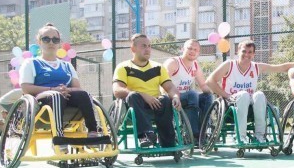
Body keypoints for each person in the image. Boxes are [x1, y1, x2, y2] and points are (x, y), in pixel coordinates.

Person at [19, 23, 100, 152]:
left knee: (84, 94)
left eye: (55, 40)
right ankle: (58, 136)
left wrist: (66, 90)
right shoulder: (31, 63)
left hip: (66, 96)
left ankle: (93, 132)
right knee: (56, 96)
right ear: (39, 42)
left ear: (59, 43)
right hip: (42, 102)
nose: (51, 42)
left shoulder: (67, 65)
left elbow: (77, 88)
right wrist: (53, 90)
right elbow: (26, 89)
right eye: (46, 39)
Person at [206, 40, 294, 144]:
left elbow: (281, 67)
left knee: (259, 95)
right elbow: (210, 81)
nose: (246, 54)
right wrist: (226, 95)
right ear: (238, 51)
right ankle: (240, 136)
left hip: (249, 108)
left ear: (253, 54)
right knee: (243, 94)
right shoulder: (229, 65)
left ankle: (260, 136)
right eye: (244, 51)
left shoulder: (256, 67)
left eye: (250, 52)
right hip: (229, 107)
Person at [112, 33, 181, 148]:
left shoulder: (158, 67)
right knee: (133, 95)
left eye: (149, 46)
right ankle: (146, 135)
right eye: (143, 46)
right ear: (133, 48)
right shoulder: (123, 67)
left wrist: (175, 97)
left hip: (155, 104)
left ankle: (168, 143)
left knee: (165, 99)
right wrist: (142, 94)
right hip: (134, 107)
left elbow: (170, 87)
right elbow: (117, 90)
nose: (147, 49)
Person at [163, 39, 213, 142]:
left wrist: (216, 94)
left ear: (198, 53)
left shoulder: (195, 65)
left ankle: (201, 132)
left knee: (207, 96)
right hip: (171, 97)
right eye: (189, 48)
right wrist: (170, 97)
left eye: (195, 49)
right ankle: (193, 134)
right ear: (182, 49)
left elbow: (203, 85)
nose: (192, 51)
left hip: (187, 98)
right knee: (192, 94)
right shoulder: (173, 62)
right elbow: (162, 83)